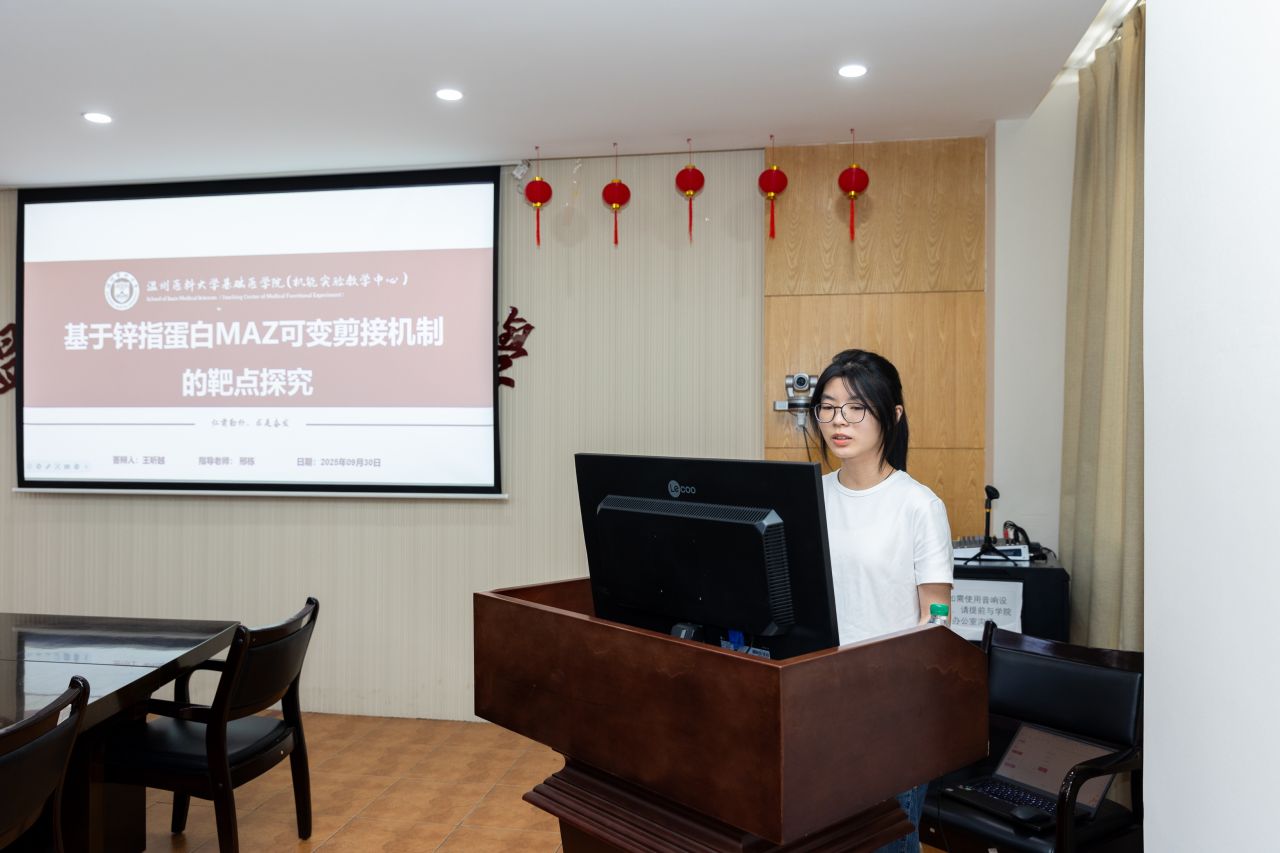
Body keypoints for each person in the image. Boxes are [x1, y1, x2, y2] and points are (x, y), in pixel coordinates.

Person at [808, 348, 953, 853]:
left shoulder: (918, 505)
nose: (838, 421)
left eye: (856, 407)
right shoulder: (812, 497)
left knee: (884, 844)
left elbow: (936, 618)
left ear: (892, 414)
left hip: (891, 709)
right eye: (828, 407)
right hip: (817, 697)